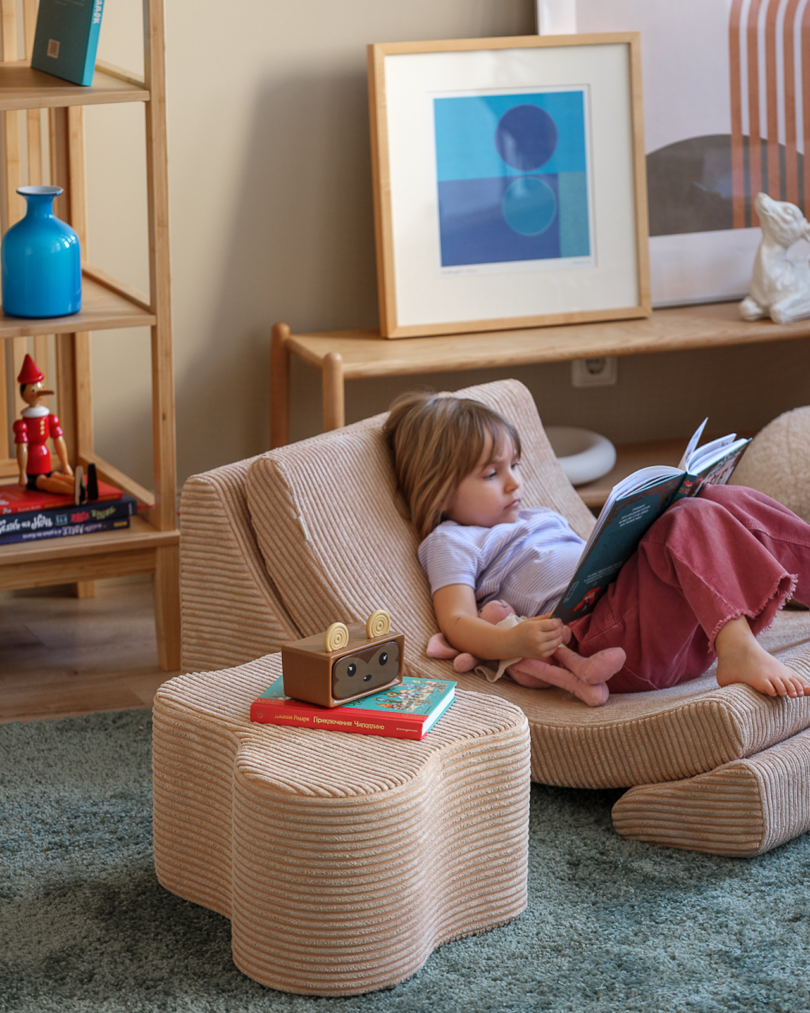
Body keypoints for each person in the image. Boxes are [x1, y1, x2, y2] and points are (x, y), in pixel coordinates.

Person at [382, 390, 810, 703]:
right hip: (606, 644)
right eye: (491, 474)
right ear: (438, 491)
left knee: (722, 499)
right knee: (684, 520)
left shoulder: (534, 517)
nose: (516, 481)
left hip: (668, 629)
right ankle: (736, 650)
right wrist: (515, 643)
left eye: (514, 464)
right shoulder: (451, 540)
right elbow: (455, 621)